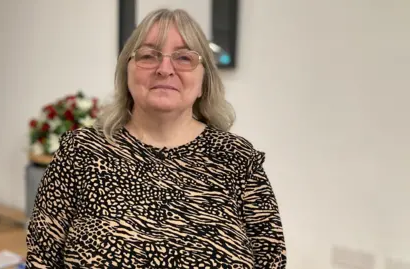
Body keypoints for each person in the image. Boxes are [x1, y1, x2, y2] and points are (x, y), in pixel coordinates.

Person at [26, 8, 286, 269]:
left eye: (184, 57)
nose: (165, 69)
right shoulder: (80, 152)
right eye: (149, 55)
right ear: (126, 72)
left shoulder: (237, 158)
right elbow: (41, 258)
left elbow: (271, 260)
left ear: (203, 80)